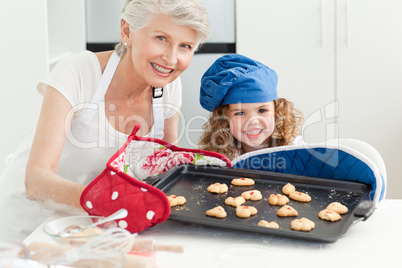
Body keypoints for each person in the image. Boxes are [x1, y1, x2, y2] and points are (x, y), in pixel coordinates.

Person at [0, 0, 209, 242]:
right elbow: (36, 181)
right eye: (161, 38)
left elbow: (164, 166)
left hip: (98, 230)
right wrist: (110, 202)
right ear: (127, 31)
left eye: (185, 46)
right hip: (29, 231)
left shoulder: (168, 87)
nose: (172, 59)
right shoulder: (79, 72)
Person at [198, 54, 303, 160]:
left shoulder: (295, 148)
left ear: (277, 111)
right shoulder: (220, 157)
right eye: (240, 113)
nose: (252, 121)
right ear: (224, 118)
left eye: (262, 110)